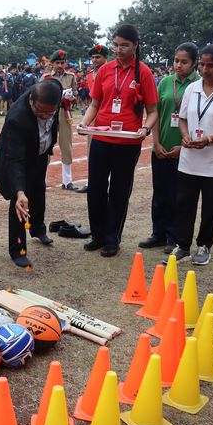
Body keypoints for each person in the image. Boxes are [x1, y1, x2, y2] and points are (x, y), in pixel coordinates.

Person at [78, 24, 159, 257]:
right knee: (95, 188)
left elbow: (152, 111)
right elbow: (94, 104)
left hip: (127, 142)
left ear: (135, 46)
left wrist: (144, 128)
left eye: (124, 45)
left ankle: (112, 238)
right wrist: (85, 124)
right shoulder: (105, 70)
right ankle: (97, 235)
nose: (118, 49)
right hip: (102, 138)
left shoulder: (142, 72)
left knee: (119, 191)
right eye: (115, 45)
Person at [164, 44, 213, 266]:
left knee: (211, 207)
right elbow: (182, 118)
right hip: (190, 160)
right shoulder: (193, 89)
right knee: (184, 204)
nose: (205, 69)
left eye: (211, 65)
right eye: (202, 64)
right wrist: (185, 136)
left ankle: (204, 245)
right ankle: (182, 245)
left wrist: (208, 139)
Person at [0, 79, 63, 268]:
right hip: (17, 156)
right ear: (31, 100)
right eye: (39, 111)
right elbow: (15, 159)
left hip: (39, 153)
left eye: (49, 113)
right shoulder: (17, 118)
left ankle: (38, 229)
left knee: (39, 190)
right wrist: (19, 191)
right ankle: (18, 250)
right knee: (21, 202)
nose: (44, 116)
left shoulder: (56, 90)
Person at [139, 42, 200, 255]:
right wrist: (156, 143)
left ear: (194, 63)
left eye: (184, 62)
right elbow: (154, 112)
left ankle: (174, 237)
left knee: (179, 196)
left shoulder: (199, 85)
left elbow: (200, 121)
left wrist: (182, 147)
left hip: (185, 150)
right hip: (161, 148)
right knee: (160, 194)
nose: (179, 65)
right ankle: (158, 233)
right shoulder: (165, 82)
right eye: (176, 61)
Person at [42, 49, 82, 192]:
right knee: (45, 145)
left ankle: (67, 181)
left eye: (62, 62)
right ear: (52, 64)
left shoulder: (71, 77)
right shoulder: (46, 77)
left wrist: (71, 96)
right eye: (57, 63)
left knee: (66, 145)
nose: (60, 65)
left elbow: (76, 95)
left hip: (65, 112)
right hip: (49, 114)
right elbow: (40, 95)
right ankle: (42, 180)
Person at [77, 45, 111, 193]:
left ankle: (109, 181)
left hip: (108, 112)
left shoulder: (112, 72)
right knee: (92, 148)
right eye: (93, 57)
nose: (95, 60)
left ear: (105, 58)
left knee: (110, 148)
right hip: (94, 113)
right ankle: (92, 181)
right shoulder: (90, 75)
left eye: (98, 57)